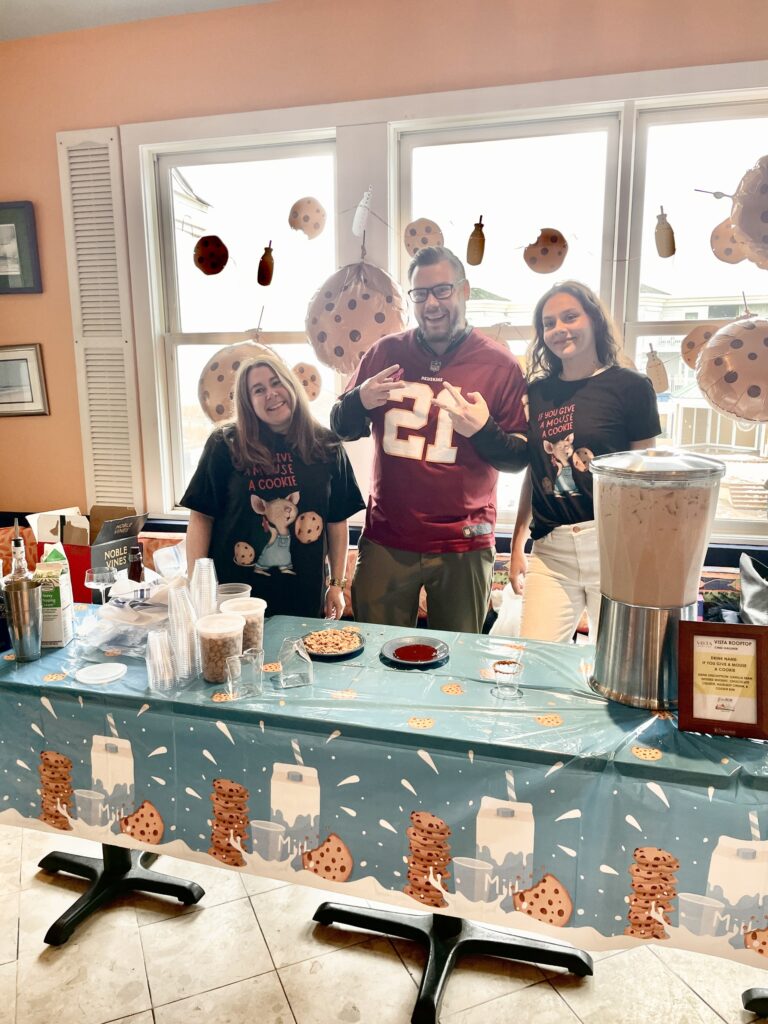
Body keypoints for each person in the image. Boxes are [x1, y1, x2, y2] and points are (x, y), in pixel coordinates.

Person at [331, 245, 528, 633]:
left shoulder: (500, 363)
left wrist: (483, 431)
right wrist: (360, 399)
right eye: (420, 294)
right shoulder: (385, 352)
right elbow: (341, 426)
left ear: (465, 290)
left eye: (442, 290)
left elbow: (519, 458)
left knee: (457, 665)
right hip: (389, 537)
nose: (431, 304)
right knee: (376, 655)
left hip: (465, 542)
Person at [509, 281, 661, 642]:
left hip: (612, 546)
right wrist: (517, 544)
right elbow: (536, 471)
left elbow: (646, 480)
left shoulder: (632, 387)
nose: (559, 329)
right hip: (551, 549)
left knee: (617, 666)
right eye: (549, 323)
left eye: (570, 317)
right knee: (536, 664)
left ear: (593, 319)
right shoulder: (537, 392)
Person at [182, 354, 365, 619]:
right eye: (258, 390)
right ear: (248, 402)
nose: (271, 394)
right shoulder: (225, 443)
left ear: (291, 386)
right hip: (234, 598)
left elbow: (337, 522)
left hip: (303, 596)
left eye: (276, 383)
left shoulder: (327, 446)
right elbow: (201, 517)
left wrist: (336, 585)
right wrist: (196, 586)